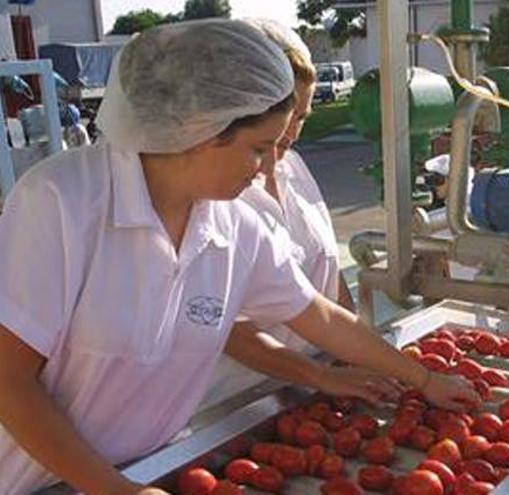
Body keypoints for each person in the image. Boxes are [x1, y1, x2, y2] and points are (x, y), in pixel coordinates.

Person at [0, 19, 478, 495]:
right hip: (35, 480)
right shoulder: (60, 203)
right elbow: (9, 383)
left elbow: (319, 316)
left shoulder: (235, 224)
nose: (270, 166)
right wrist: (115, 490)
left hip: (149, 468)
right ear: (203, 131)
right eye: (259, 148)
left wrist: (425, 378)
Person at [197, 21, 379, 412]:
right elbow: (224, 325)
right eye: (283, 115)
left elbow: (328, 276)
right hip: (242, 402)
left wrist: (363, 354)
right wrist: (320, 376)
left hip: (320, 387)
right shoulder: (216, 193)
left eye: (301, 117)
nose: (290, 131)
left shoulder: (295, 170)